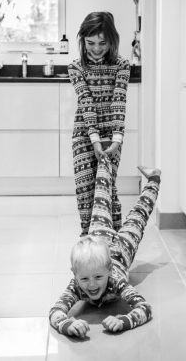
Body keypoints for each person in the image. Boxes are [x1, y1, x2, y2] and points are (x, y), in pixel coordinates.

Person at [49, 159, 161, 337]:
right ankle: (147, 174)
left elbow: (145, 308)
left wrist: (124, 321)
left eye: (99, 277)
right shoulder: (76, 285)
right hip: (106, 244)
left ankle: (112, 160)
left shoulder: (115, 280)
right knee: (133, 214)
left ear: (109, 270)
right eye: (84, 278)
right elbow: (55, 311)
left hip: (119, 251)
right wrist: (66, 324)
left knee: (108, 201)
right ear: (74, 273)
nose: (92, 284)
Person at [68, 12, 130, 236]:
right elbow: (87, 103)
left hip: (113, 136)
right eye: (90, 43)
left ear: (112, 40)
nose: (96, 48)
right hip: (84, 135)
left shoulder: (122, 65)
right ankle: (89, 247)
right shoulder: (76, 67)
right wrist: (94, 139)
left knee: (106, 191)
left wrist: (116, 139)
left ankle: (114, 246)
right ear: (82, 41)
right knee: (86, 194)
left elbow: (118, 101)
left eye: (102, 43)